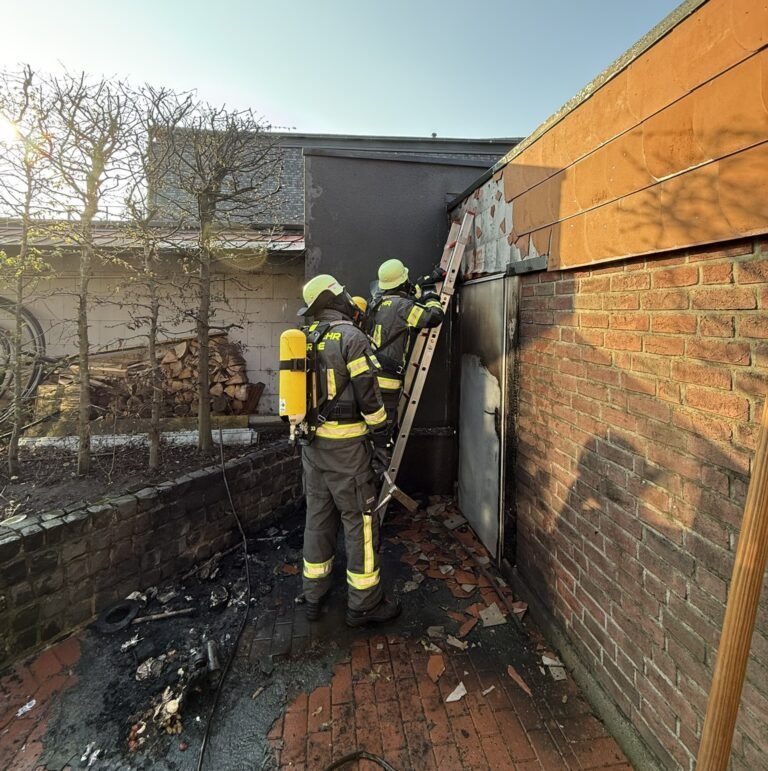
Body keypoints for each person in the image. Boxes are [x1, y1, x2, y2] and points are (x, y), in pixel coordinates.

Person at [297, 274, 401, 627]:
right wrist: (382, 429)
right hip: (347, 450)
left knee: (317, 518)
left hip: (312, 449)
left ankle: (314, 595)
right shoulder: (352, 338)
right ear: (334, 299)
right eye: (341, 293)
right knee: (359, 521)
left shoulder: (305, 338)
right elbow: (368, 394)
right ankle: (364, 603)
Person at [368, 258, 445, 435]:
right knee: (385, 431)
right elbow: (434, 316)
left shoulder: (377, 302)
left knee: (376, 428)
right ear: (402, 281)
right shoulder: (402, 307)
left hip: (372, 376)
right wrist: (430, 294)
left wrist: (426, 280)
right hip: (387, 381)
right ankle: (383, 460)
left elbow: (406, 296)